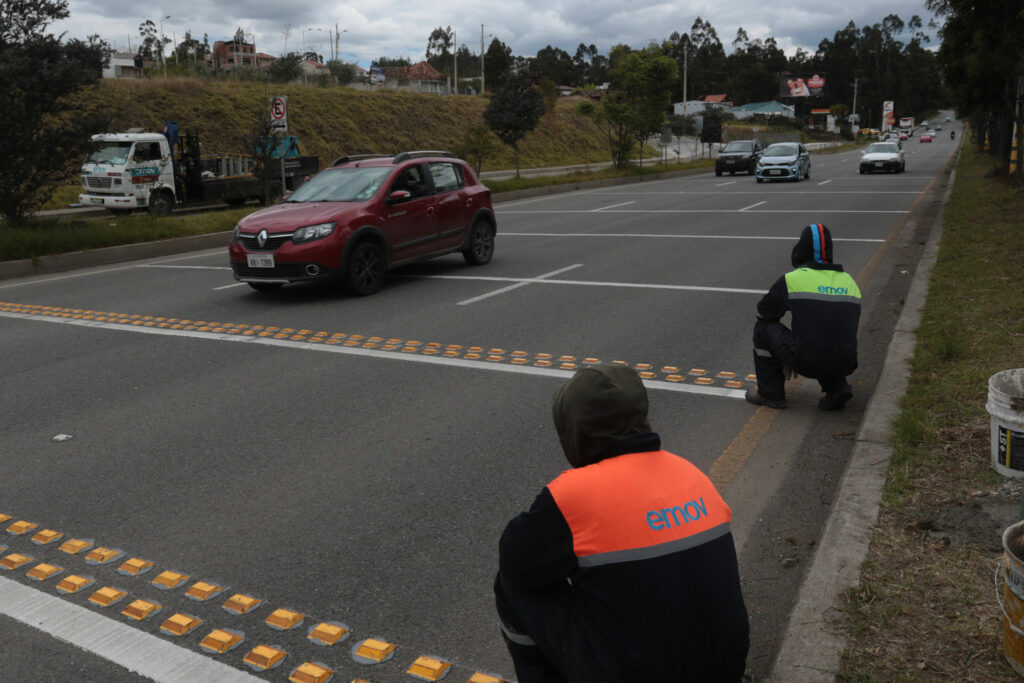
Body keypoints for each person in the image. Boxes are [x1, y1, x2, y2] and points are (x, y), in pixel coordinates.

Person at [495, 364, 750, 682]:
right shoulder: (690, 474)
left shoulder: (574, 494)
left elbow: (515, 559)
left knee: (513, 584)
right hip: (725, 669)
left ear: (573, 428)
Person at [746, 223, 861, 411]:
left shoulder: (793, 279)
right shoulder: (849, 282)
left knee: (763, 328)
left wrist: (787, 351)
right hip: (846, 361)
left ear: (801, 249)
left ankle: (770, 393)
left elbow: (765, 312)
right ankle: (837, 387)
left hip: (808, 360)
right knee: (829, 338)